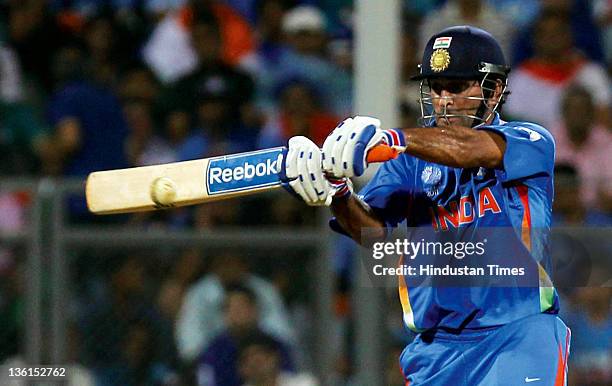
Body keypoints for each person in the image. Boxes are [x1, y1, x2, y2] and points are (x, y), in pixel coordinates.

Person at [280, 25, 571, 385]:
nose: (444, 99)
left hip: (517, 335)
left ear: (494, 91)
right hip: (436, 350)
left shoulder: (530, 140)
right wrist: (337, 192)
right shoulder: (408, 162)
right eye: (436, 87)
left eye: (457, 86)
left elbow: (469, 149)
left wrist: (391, 139)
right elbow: (372, 233)